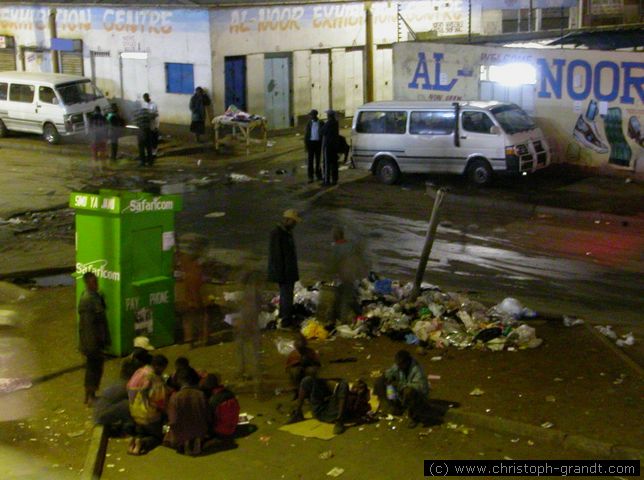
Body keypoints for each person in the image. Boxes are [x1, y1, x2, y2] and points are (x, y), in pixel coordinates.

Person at [374, 349, 430, 428]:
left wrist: (400, 385)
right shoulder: (399, 366)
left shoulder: (417, 369)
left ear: (406, 362)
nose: (398, 366)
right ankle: (395, 406)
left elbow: (420, 387)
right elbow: (390, 372)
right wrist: (386, 378)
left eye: (400, 364)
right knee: (381, 382)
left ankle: (414, 417)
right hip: (402, 391)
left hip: (418, 396)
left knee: (409, 391)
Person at [78, 271, 110, 406]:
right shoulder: (87, 300)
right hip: (92, 342)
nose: (96, 284)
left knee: (95, 368)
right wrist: (93, 345)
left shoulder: (95, 296)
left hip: (96, 340)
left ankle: (90, 395)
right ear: (87, 283)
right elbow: (87, 326)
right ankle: (90, 396)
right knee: (93, 368)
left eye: (96, 281)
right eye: (93, 282)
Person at [127, 354, 169, 455]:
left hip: (134, 412)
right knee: (158, 437)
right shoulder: (155, 380)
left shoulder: (140, 372)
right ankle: (142, 443)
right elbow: (160, 402)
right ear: (159, 366)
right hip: (149, 416)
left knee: (142, 431)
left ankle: (135, 441)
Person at [268, 209, 302, 328]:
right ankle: (286, 319)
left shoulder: (287, 232)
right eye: (294, 222)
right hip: (285, 272)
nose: (295, 224)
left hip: (288, 271)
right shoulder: (277, 233)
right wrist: (280, 274)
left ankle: (284, 316)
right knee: (286, 295)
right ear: (287, 220)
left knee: (286, 294)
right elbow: (277, 255)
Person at [166, 367, 209, 456]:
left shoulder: (175, 397)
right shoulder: (201, 394)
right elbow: (207, 414)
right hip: (201, 430)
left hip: (182, 432)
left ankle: (184, 442)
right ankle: (196, 440)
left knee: (167, 436)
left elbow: (173, 421)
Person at [235, 270, 263, 381]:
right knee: (255, 350)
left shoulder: (246, 294)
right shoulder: (255, 293)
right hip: (253, 324)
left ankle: (242, 371)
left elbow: (247, 310)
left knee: (242, 348)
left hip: (246, 324)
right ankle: (255, 371)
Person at [202, 374, 240, 441]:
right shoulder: (230, 394)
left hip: (220, 431)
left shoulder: (214, 400)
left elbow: (209, 419)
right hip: (233, 427)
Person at [304, 109, 324, 183]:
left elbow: (323, 133)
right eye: (310, 115)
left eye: (311, 115)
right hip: (311, 144)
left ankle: (319, 175)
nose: (310, 116)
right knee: (310, 161)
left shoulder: (321, 122)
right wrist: (306, 145)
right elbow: (306, 135)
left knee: (318, 161)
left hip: (318, 143)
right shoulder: (309, 123)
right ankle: (310, 177)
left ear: (315, 115)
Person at [321, 109, 340, 186]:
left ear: (329, 116)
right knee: (334, 163)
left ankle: (326, 180)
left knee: (327, 164)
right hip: (335, 145)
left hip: (328, 145)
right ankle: (335, 179)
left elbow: (321, 131)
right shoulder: (336, 123)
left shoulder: (328, 123)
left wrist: (323, 125)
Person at [88, 106, 107, 173]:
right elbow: (106, 128)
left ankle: (95, 169)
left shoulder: (91, 118)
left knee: (94, 154)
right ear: (100, 110)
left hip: (94, 139)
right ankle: (103, 168)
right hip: (102, 138)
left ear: (95, 111)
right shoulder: (103, 118)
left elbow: (90, 129)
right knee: (102, 154)